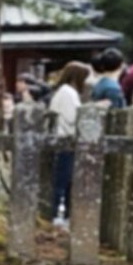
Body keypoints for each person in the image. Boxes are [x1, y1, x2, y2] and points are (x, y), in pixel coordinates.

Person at [48, 61, 90, 221]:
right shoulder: (68, 93)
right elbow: (72, 117)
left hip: (64, 140)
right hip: (65, 141)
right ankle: (55, 213)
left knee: (65, 179)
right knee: (62, 179)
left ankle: (61, 213)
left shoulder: (64, 91)